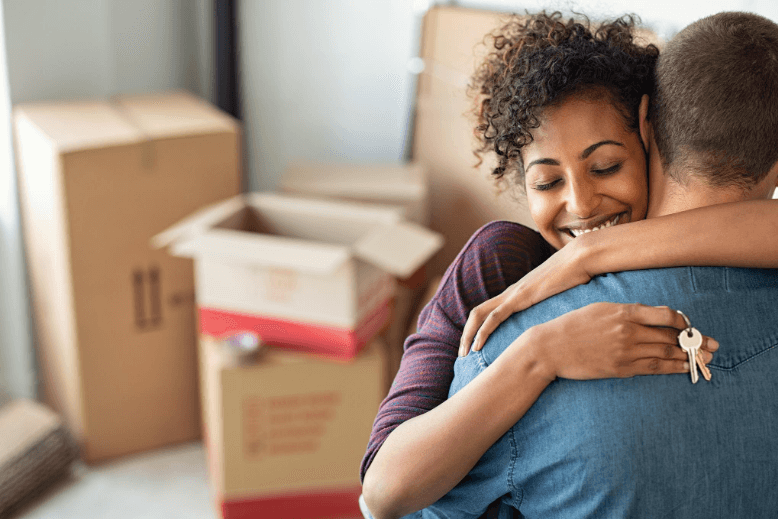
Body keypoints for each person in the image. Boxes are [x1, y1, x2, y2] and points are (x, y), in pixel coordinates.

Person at [361, 12, 778, 519]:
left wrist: (589, 254)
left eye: (606, 167)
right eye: (546, 183)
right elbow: (382, 491)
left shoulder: (556, 295)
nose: (581, 205)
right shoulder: (497, 272)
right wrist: (539, 353)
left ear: (647, 134)